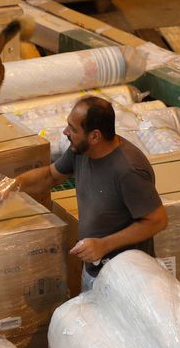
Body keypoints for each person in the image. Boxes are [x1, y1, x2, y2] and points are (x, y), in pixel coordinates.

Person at [10, 96, 168, 292]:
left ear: (95, 136)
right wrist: (12, 185)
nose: (65, 132)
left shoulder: (128, 170)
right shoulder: (80, 151)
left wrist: (103, 245)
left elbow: (157, 220)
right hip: (94, 268)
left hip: (126, 278)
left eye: (73, 129)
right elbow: (51, 176)